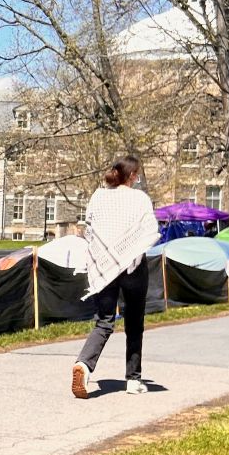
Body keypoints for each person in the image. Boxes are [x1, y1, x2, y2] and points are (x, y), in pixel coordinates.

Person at [72, 156, 159, 399]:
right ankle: (133, 379)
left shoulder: (98, 196)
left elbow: (90, 228)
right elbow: (149, 231)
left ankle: (84, 365)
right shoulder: (140, 198)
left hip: (105, 266)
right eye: (137, 174)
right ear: (132, 175)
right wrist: (129, 251)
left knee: (104, 321)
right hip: (132, 266)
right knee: (134, 322)